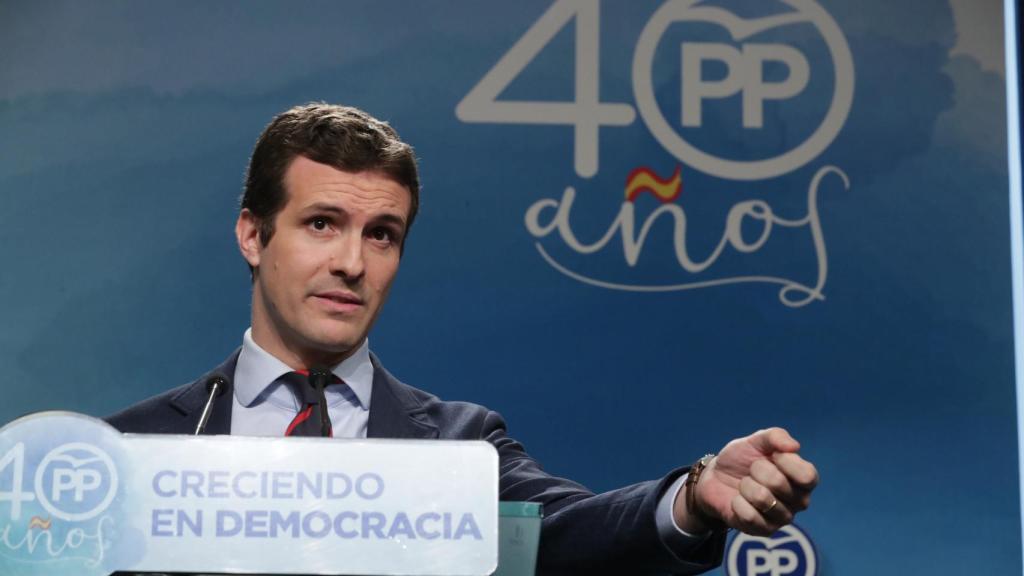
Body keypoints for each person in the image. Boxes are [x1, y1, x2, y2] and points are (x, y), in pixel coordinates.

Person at [107, 103, 818, 575]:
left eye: (381, 234)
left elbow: (571, 533)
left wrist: (692, 497)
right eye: (322, 223)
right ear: (253, 235)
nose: (352, 262)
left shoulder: (459, 445)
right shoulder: (125, 453)